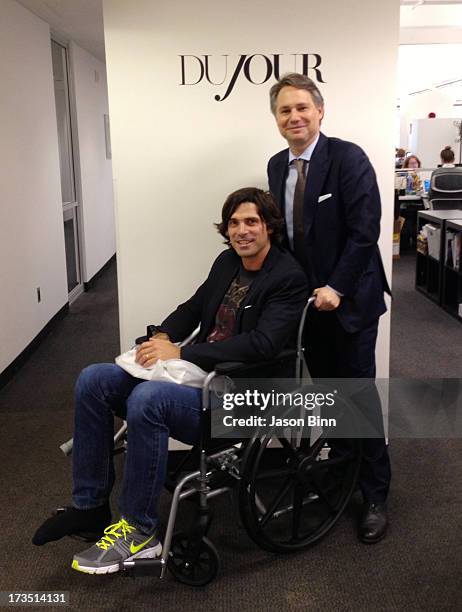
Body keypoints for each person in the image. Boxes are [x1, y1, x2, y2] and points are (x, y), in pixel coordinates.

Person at [32, 187, 308, 574]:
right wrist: (162, 335)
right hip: (199, 380)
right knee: (93, 379)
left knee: (148, 399)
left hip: (242, 397)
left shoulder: (288, 278)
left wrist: (180, 353)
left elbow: (263, 345)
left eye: (251, 222)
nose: (241, 231)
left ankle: (141, 532)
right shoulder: (227, 262)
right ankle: (90, 507)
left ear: (269, 227)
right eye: (234, 223)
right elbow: (194, 307)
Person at [267, 72, 392, 544]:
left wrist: (336, 286)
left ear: (320, 111)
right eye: (285, 110)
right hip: (307, 307)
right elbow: (285, 236)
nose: (294, 116)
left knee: (357, 398)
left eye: (302, 107)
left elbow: (365, 231)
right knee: (329, 398)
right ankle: (342, 479)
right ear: (276, 120)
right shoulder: (277, 165)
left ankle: (376, 494)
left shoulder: (347, 157)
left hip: (349, 303)